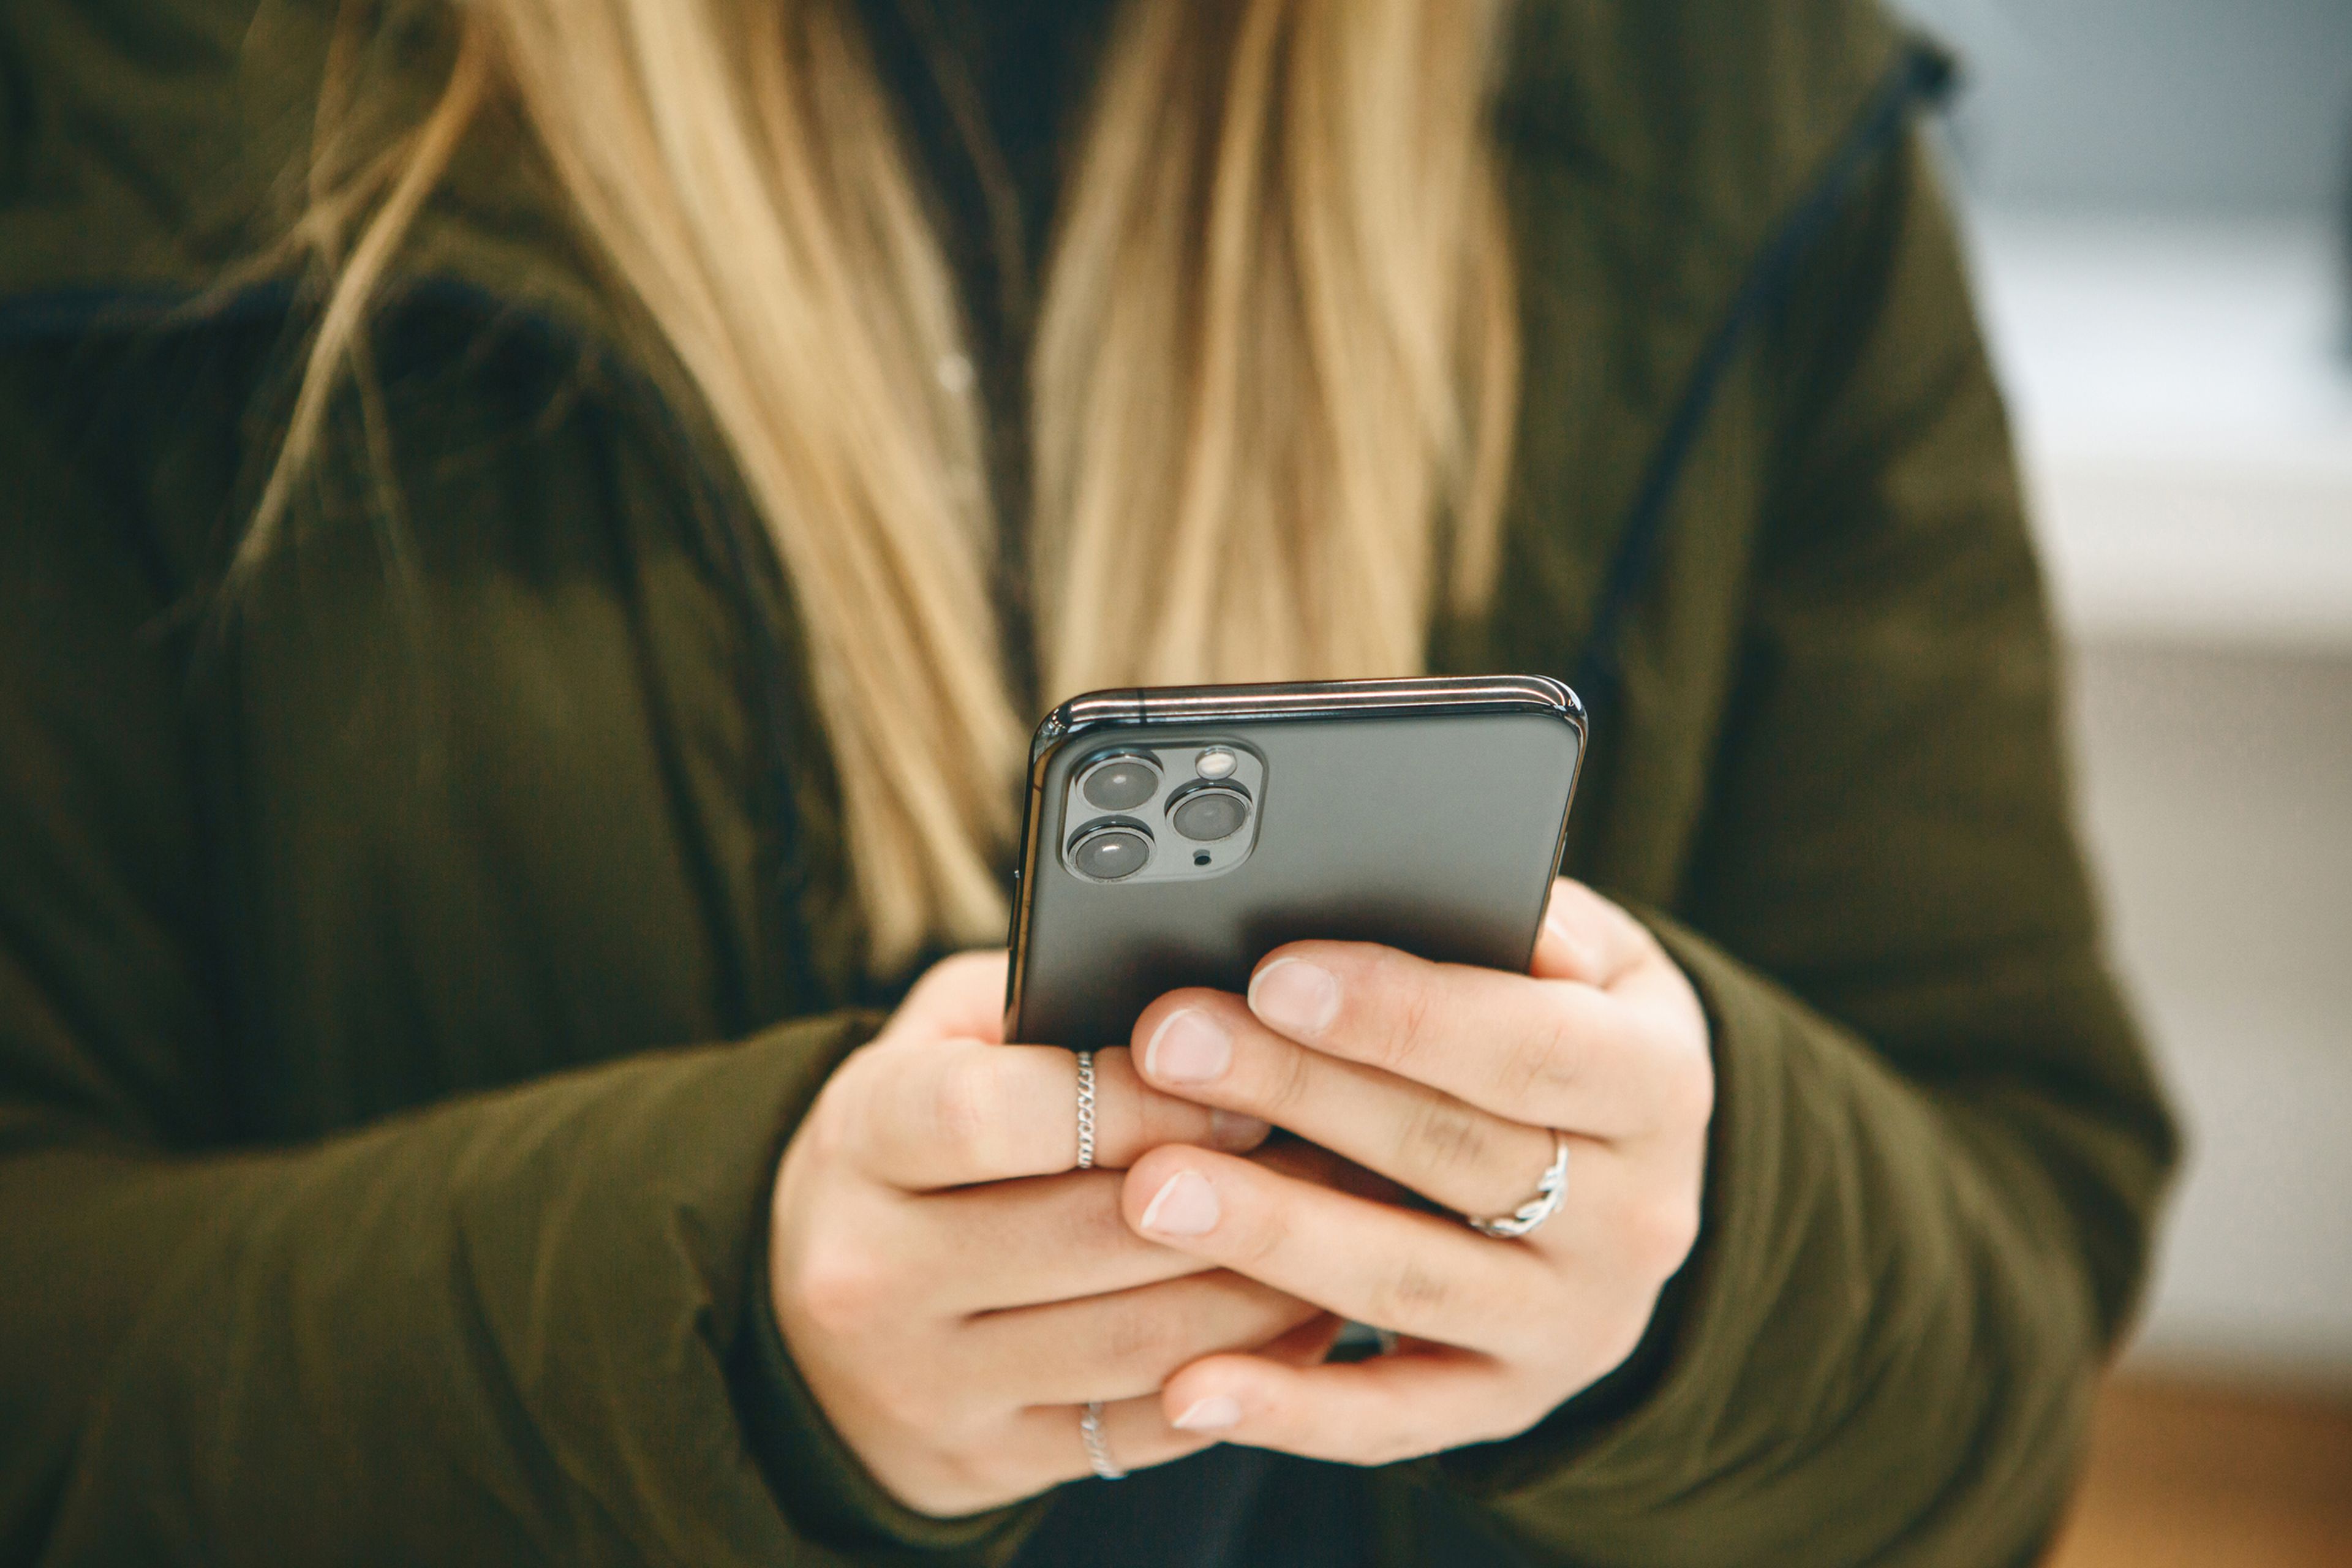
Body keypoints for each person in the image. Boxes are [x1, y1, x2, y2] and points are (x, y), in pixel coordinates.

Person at [0, 0, 2176, 1562]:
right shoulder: (134, 107)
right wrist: (724, 1337)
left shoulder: (1740, 116)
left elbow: (1998, 1382)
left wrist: (1688, 1282)